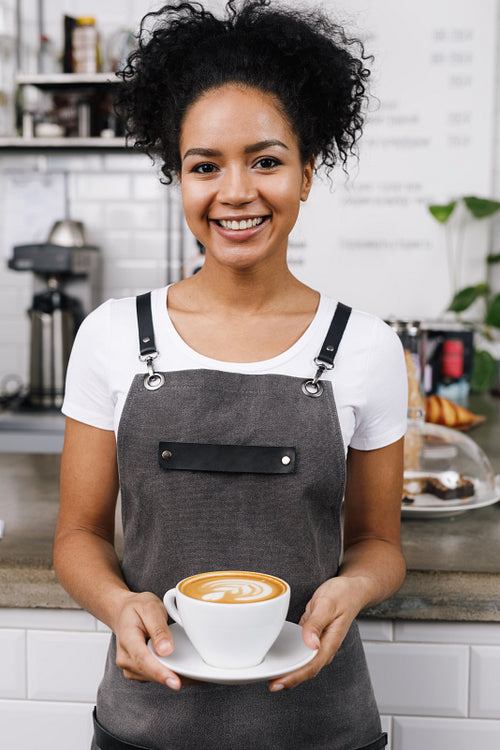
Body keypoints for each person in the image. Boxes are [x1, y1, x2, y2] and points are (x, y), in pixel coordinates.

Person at [54, 2, 408, 748]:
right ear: (178, 178)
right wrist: (118, 605)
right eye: (204, 166)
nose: (236, 191)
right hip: (146, 725)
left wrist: (358, 585)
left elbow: (379, 541)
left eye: (267, 160)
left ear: (308, 174)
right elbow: (79, 535)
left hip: (321, 727)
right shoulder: (113, 337)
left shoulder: (366, 347)